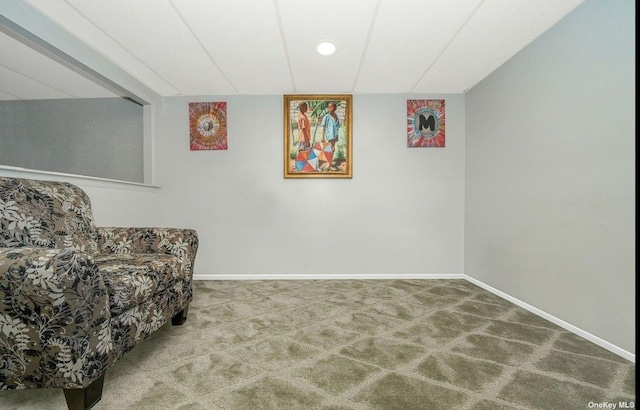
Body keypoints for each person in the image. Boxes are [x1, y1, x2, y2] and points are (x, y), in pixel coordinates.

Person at [320, 101, 340, 170]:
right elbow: (324, 127)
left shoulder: (336, 116)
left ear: (335, 108)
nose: (329, 108)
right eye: (328, 107)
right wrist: (322, 137)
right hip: (329, 135)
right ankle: (329, 164)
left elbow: (337, 126)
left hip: (335, 135)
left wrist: (337, 135)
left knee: (333, 149)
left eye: (331, 107)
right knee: (331, 149)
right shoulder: (327, 116)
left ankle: (330, 163)